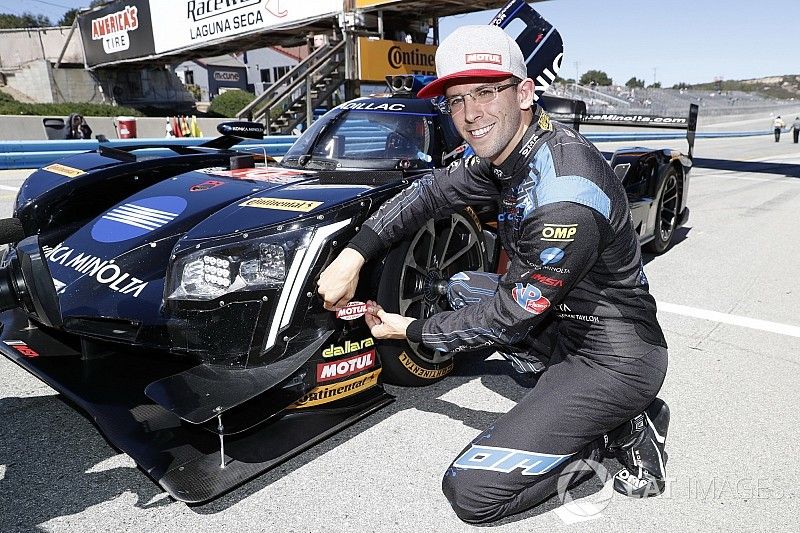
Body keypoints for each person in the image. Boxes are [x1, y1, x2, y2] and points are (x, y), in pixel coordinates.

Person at [317, 24, 670, 524]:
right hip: (559, 324)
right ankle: (572, 404)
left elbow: (508, 317)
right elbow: (430, 193)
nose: (470, 114)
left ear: (525, 92)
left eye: (486, 92)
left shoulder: (564, 193)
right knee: (462, 286)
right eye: (457, 100)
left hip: (613, 355)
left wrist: (410, 330)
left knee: (471, 491)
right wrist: (353, 255)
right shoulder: (507, 152)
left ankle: (619, 429)